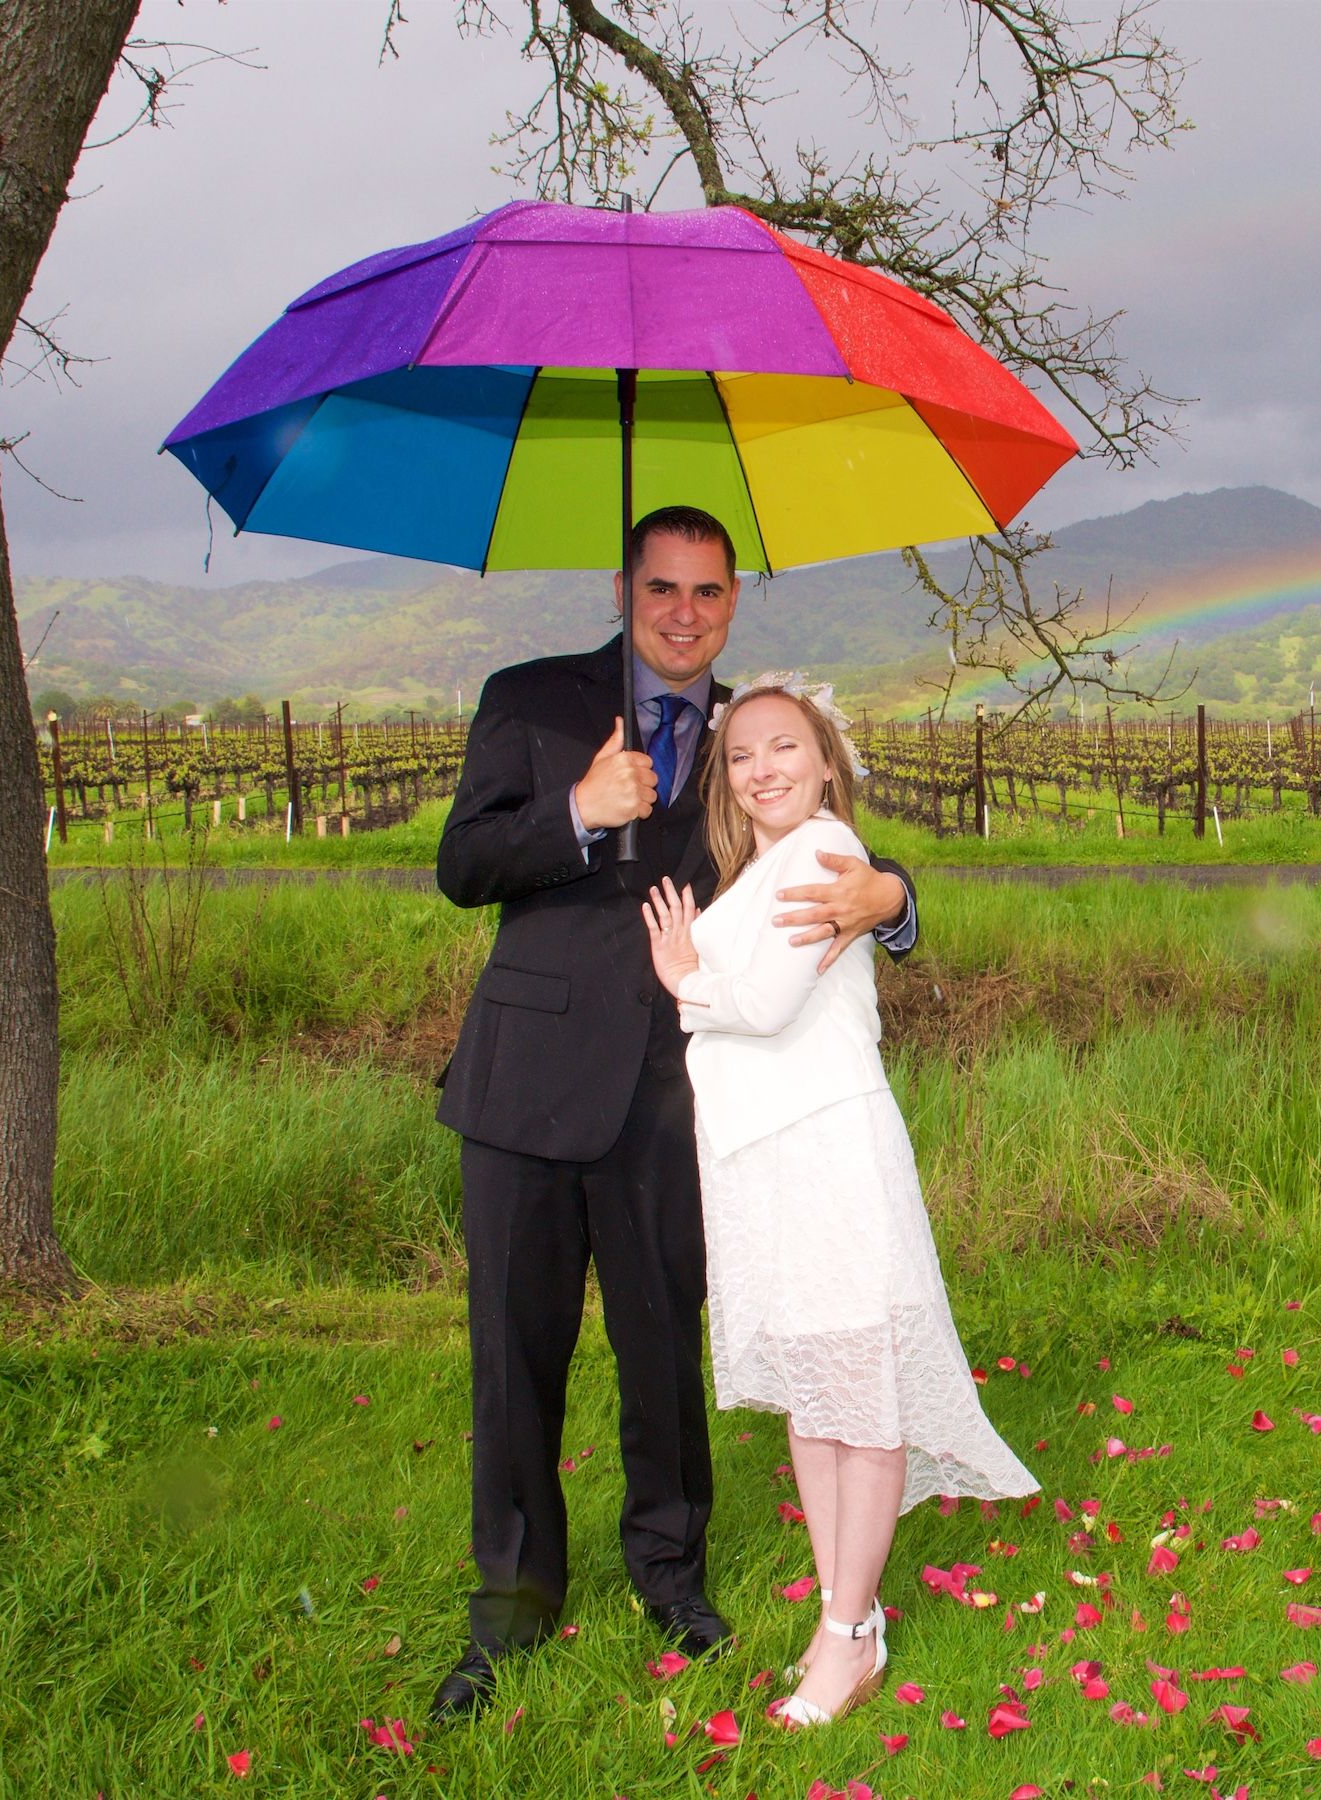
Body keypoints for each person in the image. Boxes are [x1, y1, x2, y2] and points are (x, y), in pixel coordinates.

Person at [429, 506, 923, 1721]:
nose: (682, 613)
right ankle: (512, 1599)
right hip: (525, 1085)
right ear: (622, 586)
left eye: (706, 592)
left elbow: (832, 848)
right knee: (514, 1351)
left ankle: (669, 1571)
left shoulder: (748, 736)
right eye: (661, 589)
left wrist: (897, 897)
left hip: (677, 1099)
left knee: (661, 1348)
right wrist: (578, 813)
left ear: (732, 601)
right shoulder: (530, 700)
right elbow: (461, 866)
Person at [641, 676, 1038, 1729]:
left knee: (855, 1394)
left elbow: (766, 1008)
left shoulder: (822, 851)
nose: (760, 767)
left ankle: (848, 1632)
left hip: (823, 1152)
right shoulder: (762, 861)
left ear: (825, 761)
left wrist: (682, 978)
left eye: (783, 747)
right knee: (819, 1399)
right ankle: (841, 1618)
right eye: (740, 755)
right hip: (767, 1155)